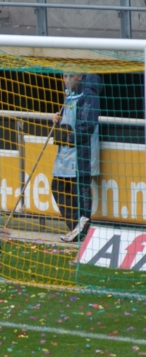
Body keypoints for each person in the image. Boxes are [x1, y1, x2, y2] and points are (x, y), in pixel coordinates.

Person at [52, 72, 103, 243]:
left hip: (82, 153)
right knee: (57, 186)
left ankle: (82, 227)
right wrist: (57, 122)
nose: (66, 80)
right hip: (65, 154)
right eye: (64, 76)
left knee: (81, 189)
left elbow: (86, 125)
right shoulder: (69, 94)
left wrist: (67, 137)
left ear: (80, 77)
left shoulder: (89, 94)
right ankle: (77, 227)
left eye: (70, 76)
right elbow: (69, 122)